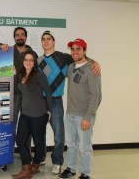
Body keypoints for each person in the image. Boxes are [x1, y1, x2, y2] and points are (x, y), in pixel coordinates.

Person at [38, 31, 101, 175]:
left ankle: (62, 164)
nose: (75, 52)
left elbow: (96, 94)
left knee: (61, 136)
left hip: (58, 103)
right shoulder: (40, 61)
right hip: (48, 105)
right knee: (66, 142)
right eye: (44, 39)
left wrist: (95, 62)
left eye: (49, 39)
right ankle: (65, 167)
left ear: (54, 42)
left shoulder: (65, 58)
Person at [0, 27, 37, 155]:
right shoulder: (8, 50)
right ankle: (8, 154)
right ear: (14, 38)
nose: (20, 37)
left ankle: (26, 154)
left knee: (27, 126)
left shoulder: (32, 53)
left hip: (27, 96)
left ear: (26, 37)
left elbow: (36, 74)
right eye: (17, 35)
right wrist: (0, 45)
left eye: (22, 35)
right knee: (10, 125)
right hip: (12, 95)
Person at [58, 38, 102, 179]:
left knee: (85, 148)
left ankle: (85, 173)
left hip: (84, 116)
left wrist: (88, 117)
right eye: (73, 49)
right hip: (70, 114)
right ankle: (71, 169)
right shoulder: (71, 67)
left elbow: (97, 96)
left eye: (78, 49)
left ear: (84, 51)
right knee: (71, 145)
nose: (75, 52)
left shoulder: (92, 69)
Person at [12, 51, 52, 179]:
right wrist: (14, 75)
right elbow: (16, 90)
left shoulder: (39, 75)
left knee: (39, 142)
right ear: (22, 61)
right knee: (20, 140)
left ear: (34, 62)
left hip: (38, 115)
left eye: (31, 60)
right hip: (25, 114)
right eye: (26, 59)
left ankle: (34, 166)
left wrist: (49, 110)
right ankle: (26, 168)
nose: (28, 62)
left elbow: (48, 92)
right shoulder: (21, 74)